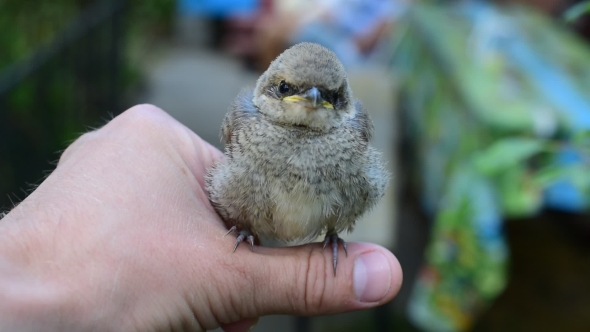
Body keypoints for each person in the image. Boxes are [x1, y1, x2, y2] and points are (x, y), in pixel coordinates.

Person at [0, 105, 402, 332]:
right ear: (271, 91)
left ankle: (327, 235)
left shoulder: (351, 131)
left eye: (327, 96)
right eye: (288, 90)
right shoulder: (250, 122)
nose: (313, 100)